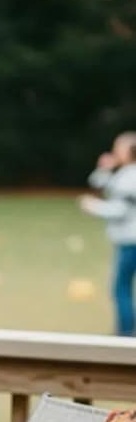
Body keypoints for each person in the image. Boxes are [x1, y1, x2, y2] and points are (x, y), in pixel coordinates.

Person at [80, 132, 136, 337]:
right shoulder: (125, 174)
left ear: (130, 151)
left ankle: (126, 333)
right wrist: (104, 168)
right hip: (128, 241)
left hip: (131, 242)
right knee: (123, 287)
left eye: (118, 147)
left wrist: (92, 206)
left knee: (120, 288)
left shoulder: (129, 177)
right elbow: (98, 184)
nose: (114, 151)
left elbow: (120, 210)